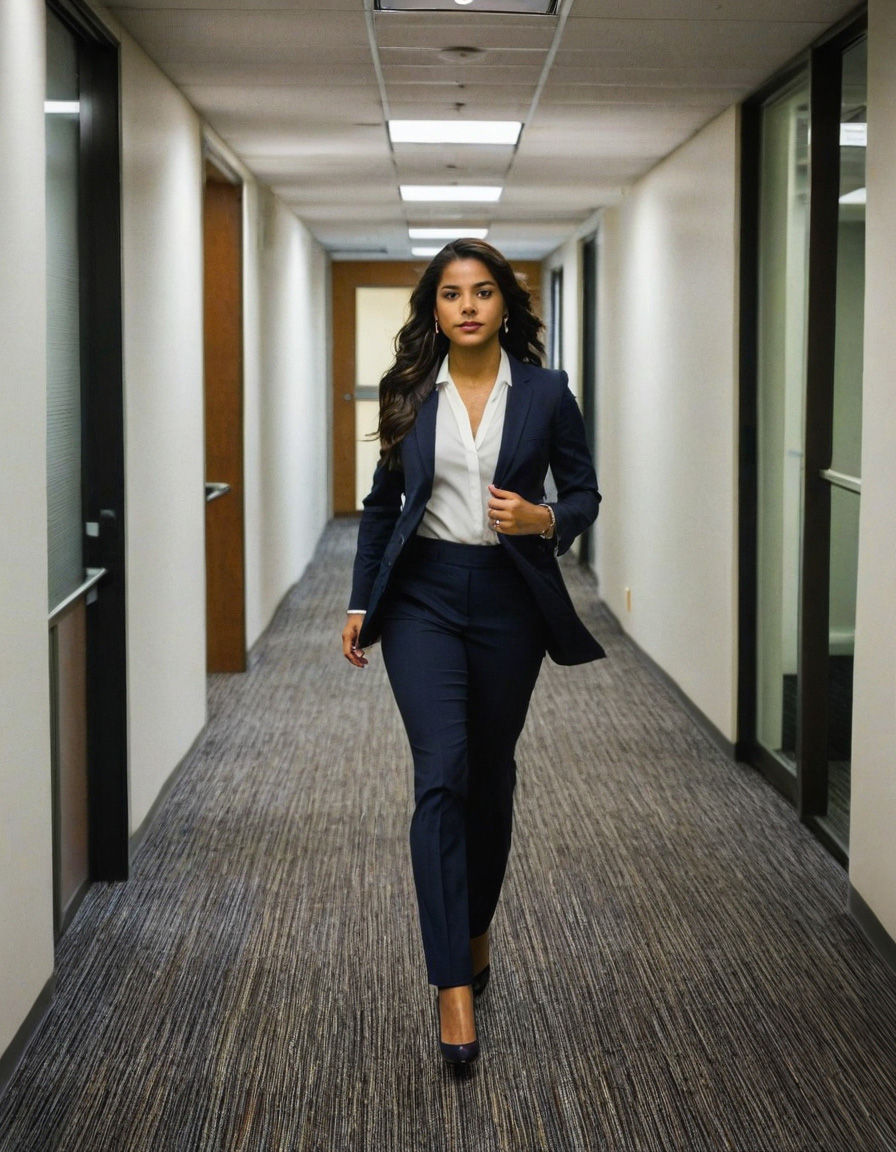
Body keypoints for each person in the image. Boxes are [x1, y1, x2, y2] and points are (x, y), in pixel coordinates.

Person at [341, 239, 604, 1068]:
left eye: (482, 292)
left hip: (508, 601)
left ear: (504, 305)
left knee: (489, 777)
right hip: (421, 594)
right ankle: (452, 982)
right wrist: (360, 601)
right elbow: (384, 505)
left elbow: (586, 489)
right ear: (435, 307)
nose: (466, 306)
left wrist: (547, 520)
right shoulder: (410, 392)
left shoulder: (548, 393)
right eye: (451, 293)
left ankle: (477, 923)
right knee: (443, 772)